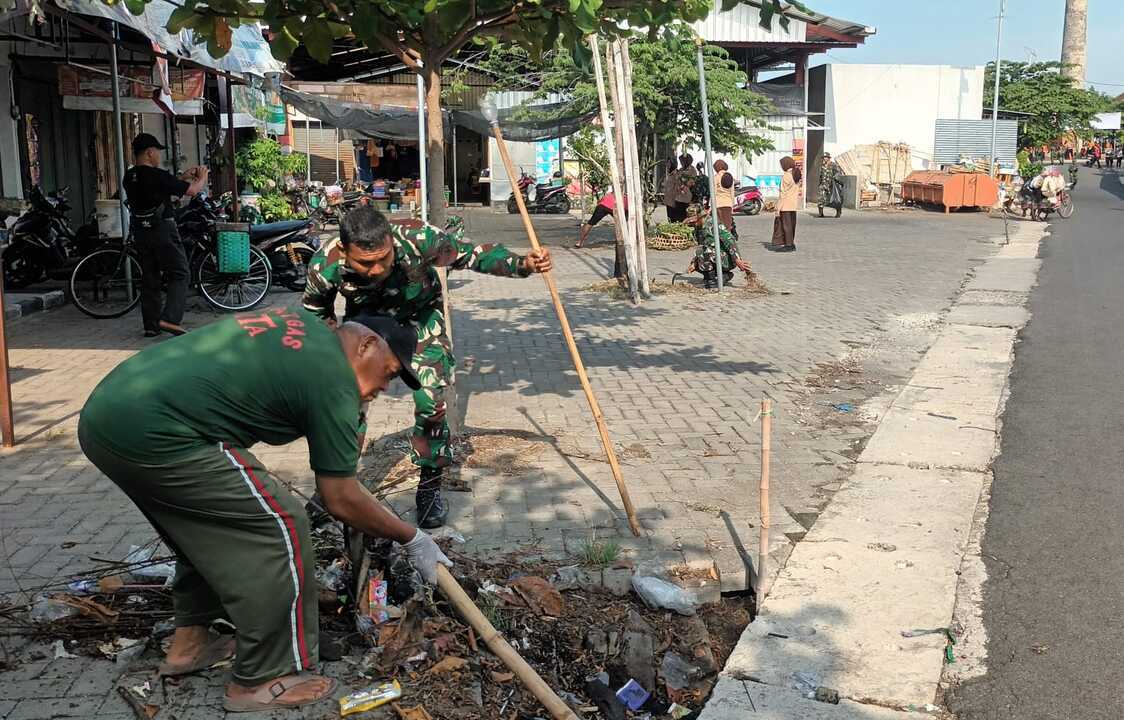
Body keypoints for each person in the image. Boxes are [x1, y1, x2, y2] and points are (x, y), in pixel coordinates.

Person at [78, 308, 452, 712]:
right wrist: (412, 536)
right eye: (389, 373)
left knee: (206, 530)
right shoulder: (334, 379)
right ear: (366, 345)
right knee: (283, 525)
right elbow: (339, 496)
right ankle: (263, 677)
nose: (384, 387)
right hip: (158, 430)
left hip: (110, 412)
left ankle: (189, 646)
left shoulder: (307, 328)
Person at [302, 206, 552, 529]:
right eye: (365, 263)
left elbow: (470, 255)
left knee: (430, 400)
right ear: (345, 250)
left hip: (420, 320)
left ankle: (430, 487)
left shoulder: (420, 239)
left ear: (391, 242)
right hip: (366, 327)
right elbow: (314, 316)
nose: (377, 269)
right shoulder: (325, 264)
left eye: (384, 258)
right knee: (345, 404)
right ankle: (335, 487)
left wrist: (523, 264)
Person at [123, 133, 208, 338]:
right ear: (150, 153)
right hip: (162, 230)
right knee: (180, 272)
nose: (159, 155)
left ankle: (151, 325)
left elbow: (157, 189)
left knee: (150, 276)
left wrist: (181, 178)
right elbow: (193, 191)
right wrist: (202, 175)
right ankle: (170, 319)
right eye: (157, 151)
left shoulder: (130, 176)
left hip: (141, 231)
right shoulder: (157, 176)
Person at [771, 156, 802, 252]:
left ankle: (788, 245)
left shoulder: (786, 176)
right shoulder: (796, 174)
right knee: (791, 225)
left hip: (785, 204)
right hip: (793, 204)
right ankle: (791, 243)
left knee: (786, 226)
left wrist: (778, 208)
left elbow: (783, 193)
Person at [711, 159, 736, 237]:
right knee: (727, 226)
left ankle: (720, 244)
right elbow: (732, 192)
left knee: (719, 226)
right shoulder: (729, 176)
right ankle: (728, 243)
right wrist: (732, 205)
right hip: (728, 204)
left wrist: (711, 205)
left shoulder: (716, 177)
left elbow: (713, 192)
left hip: (718, 204)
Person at [817, 152, 844, 218]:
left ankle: (838, 211)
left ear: (828, 158)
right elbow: (821, 176)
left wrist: (835, 177)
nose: (824, 159)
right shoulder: (822, 166)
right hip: (823, 185)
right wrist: (820, 184)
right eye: (823, 157)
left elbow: (838, 172)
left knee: (835, 200)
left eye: (825, 157)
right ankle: (821, 213)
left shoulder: (833, 165)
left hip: (831, 185)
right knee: (821, 199)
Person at [673, 153, 697, 219]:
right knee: (677, 217)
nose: (681, 163)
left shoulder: (692, 170)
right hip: (677, 197)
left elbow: (690, 183)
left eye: (682, 161)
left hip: (686, 197)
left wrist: (681, 178)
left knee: (685, 217)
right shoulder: (680, 170)